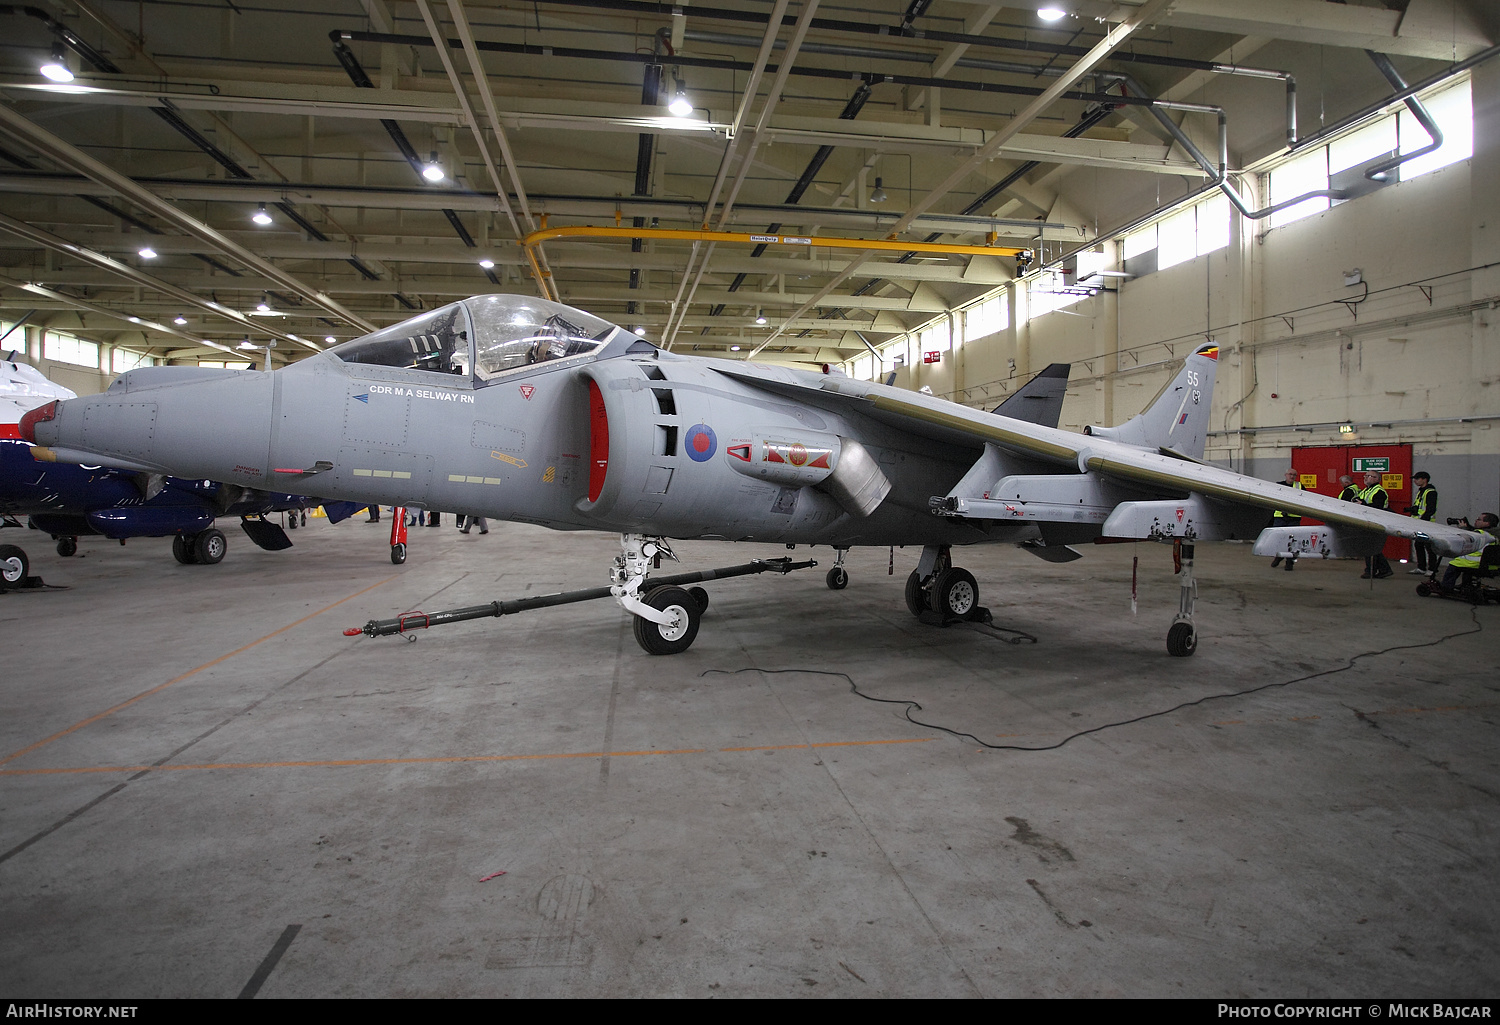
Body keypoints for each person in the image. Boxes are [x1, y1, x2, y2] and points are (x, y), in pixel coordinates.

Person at [1439, 513, 1498, 592]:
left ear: (1487, 523)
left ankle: (1446, 587)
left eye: (1479, 519)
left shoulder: (1480, 534)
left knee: (1455, 564)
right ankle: (1466, 585)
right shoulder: (1495, 534)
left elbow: (1468, 539)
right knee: (1465, 567)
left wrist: (1463, 529)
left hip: (1476, 563)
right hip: (1492, 566)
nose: (1476, 521)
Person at [1355, 470, 1394, 579]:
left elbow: (1378, 508)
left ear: (1376, 479)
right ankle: (1384, 569)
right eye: (1365, 476)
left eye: (1368, 476)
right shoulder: (1365, 490)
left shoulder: (1379, 491)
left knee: (1370, 547)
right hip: (1366, 521)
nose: (1365, 478)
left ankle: (1370, 571)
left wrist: (1362, 504)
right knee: (1370, 547)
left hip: (1376, 522)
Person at [1269, 468, 1303, 570]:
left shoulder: (1300, 486)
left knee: (1293, 542)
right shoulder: (1279, 485)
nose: (1292, 476)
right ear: (1286, 475)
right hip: (1280, 517)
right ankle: (1279, 557)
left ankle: (1289, 562)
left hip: (1294, 518)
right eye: (1290, 474)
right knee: (1279, 539)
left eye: (1294, 475)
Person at [1404, 471, 1438, 574]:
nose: (1415, 480)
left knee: (1429, 547)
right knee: (1418, 545)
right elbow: (1420, 506)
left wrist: (1424, 520)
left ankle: (1432, 568)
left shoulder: (1430, 492)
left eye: (1417, 478)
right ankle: (1421, 567)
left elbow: (1430, 509)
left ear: (1424, 479)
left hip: (1426, 523)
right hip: (1418, 522)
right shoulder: (1421, 491)